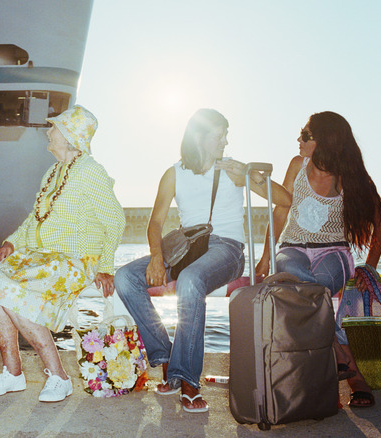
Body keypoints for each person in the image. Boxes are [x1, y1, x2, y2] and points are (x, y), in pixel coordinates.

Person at [113, 108, 291, 413]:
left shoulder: (234, 171)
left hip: (227, 249)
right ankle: (167, 358)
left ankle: (188, 380)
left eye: (226, 134)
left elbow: (284, 200)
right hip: (187, 247)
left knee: (191, 280)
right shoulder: (174, 173)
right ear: (199, 137)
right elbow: (155, 222)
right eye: (218, 134)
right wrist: (156, 257)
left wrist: (251, 175)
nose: (225, 140)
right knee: (125, 277)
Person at [0, 105, 126, 403]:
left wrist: (106, 266)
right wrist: (10, 242)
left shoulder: (91, 172)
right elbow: (34, 219)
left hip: (75, 260)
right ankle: (13, 373)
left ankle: (58, 376)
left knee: (11, 293)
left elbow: (116, 221)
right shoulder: (52, 171)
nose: (48, 131)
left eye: (54, 128)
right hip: (42, 256)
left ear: (70, 136)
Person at [255, 111, 381, 409]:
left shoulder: (352, 178)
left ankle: (334, 366)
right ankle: (349, 369)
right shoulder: (296, 166)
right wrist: (265, 257)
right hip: (292, 248)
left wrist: (368, 266)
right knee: (300, 279)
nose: (298, 140)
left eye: (305, 135)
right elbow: (280, 212)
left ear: (325, 140)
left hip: (334, 253)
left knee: (310, 288)